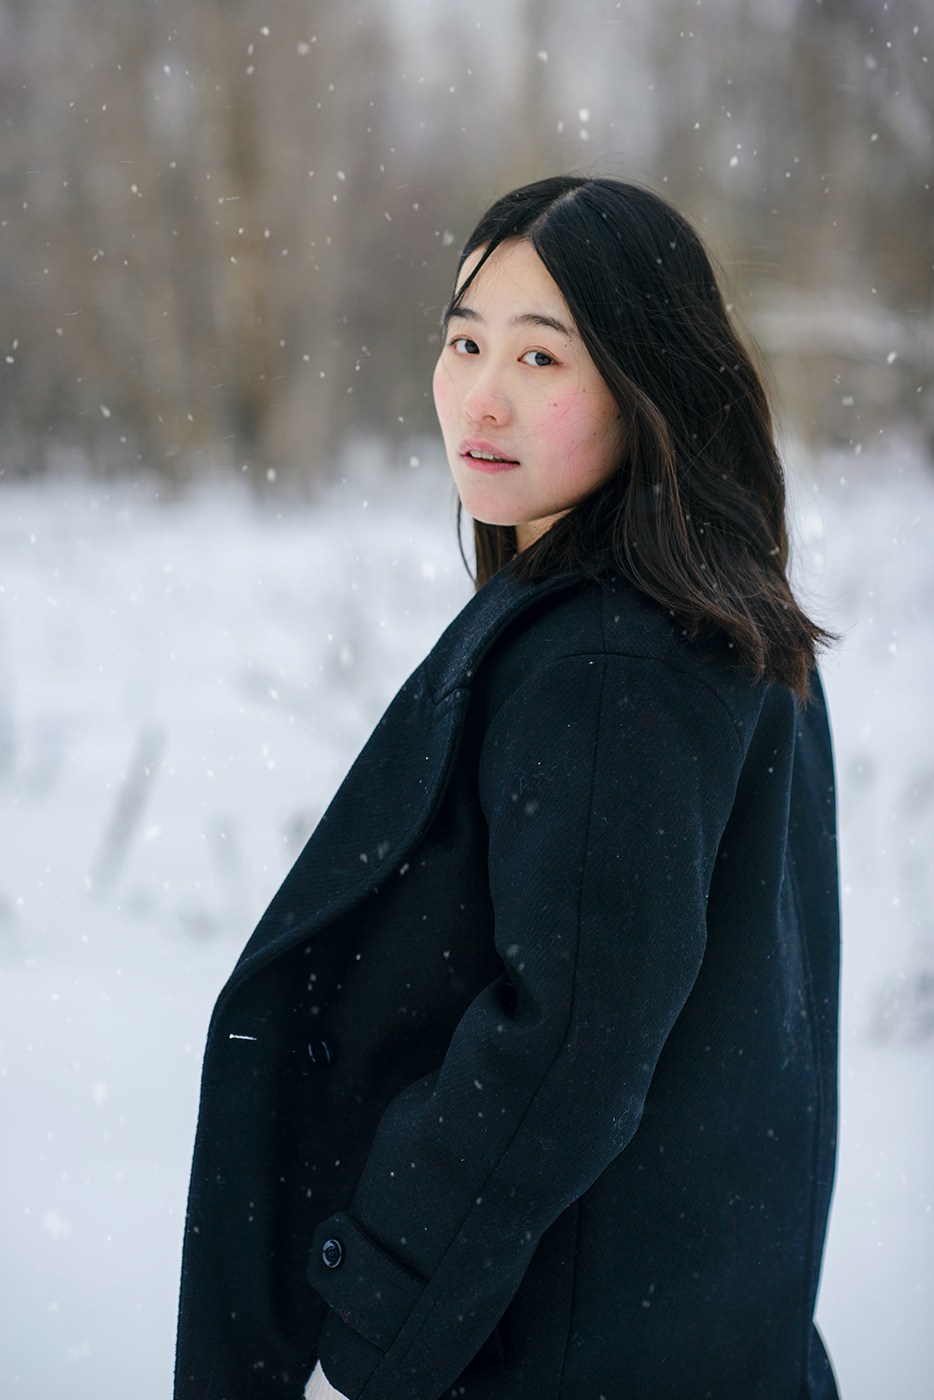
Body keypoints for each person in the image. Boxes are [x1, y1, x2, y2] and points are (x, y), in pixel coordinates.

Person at [174, 175, 841, 1400]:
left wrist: (369, 1327)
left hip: (547, 1349)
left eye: (543, 357)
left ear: (651, 388)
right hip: (673, 1328)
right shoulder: (699, 611)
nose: (480, 394)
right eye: (465, 340)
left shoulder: (612, 662)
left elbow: (564, 1046)